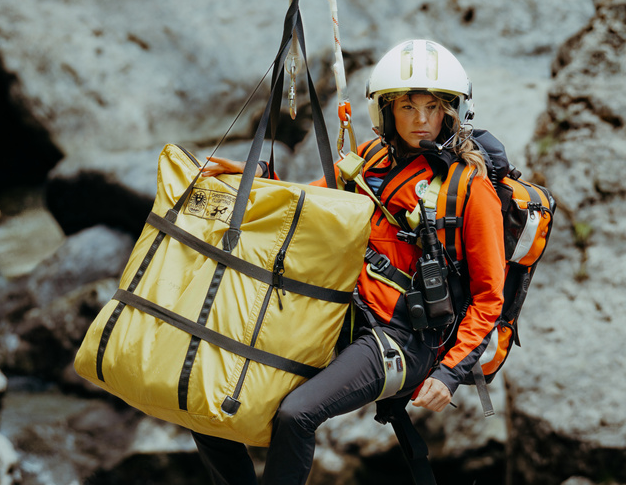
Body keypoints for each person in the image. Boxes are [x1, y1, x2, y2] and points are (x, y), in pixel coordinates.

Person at [192, 39, 505, 485]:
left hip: (404, 340)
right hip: (344, 316)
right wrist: (253, 177)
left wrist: (450, 373)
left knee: (297, 414)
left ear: (451, 112)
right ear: (387, 111)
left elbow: (489, 297)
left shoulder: (470, 189)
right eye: (408, 107)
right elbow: (307, 204)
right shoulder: (371, 160)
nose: (421, 120)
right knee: (208, 393)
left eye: (433, 107)